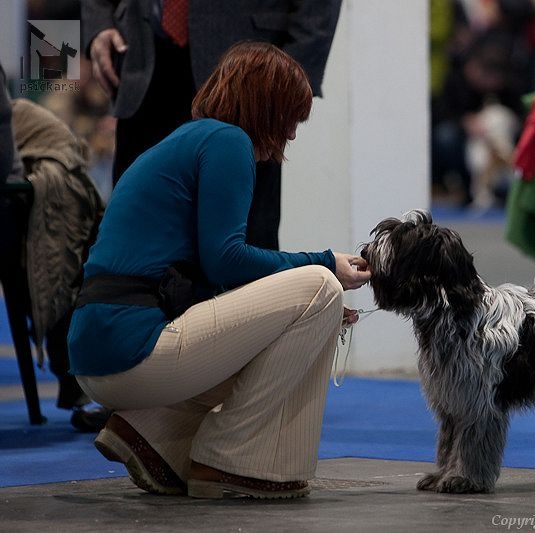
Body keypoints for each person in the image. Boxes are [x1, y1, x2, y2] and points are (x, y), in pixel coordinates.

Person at [67, 42, 371, 500]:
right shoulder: (228, 143)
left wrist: (304, 317)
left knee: (313, 306)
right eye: (291, 115)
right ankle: (232, 462)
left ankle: (156, 435)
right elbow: (226, 260)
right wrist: (326, 264)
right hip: (132, 346)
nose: (291, 133)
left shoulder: (191, 140)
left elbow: (210, 273)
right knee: (321, 289)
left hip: (101, 348)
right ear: (266, 105)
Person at [81, 0, 342, 248]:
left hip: (247, 84)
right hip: (141, 70)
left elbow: (318, 11)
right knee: (136, 243)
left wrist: (287, 86)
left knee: (243, 252)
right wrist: (98, 22)